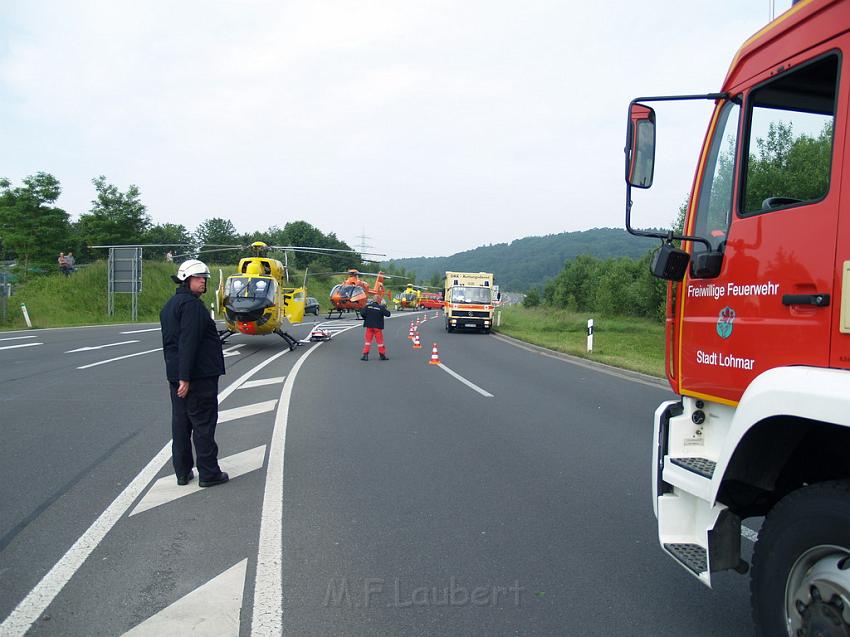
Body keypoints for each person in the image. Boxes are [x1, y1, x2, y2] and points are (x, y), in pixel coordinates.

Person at [160, 259, 229, 488]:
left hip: (176, 375)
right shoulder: (192, 306)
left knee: (180, 424)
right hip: (197, 378)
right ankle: (209, 473)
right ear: (186, 279)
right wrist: (186, 377)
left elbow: (172, 344)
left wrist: (178, 376)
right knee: (203, 424)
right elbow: (188, 342)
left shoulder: (170, 305)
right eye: (199, 278)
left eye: (204, 279)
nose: (203, 282)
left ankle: (182, 471)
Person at [360, 295, 391, 361]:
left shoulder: (367, 306)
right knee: (380, 342)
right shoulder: (381, 307)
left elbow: (362, 313)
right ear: (379, 300)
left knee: (368, 341)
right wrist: (385, 307)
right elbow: (388, 314)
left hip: (369, 326)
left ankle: (365, 355)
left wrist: (366, 318)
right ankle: (382, 355)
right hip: (377, 327)